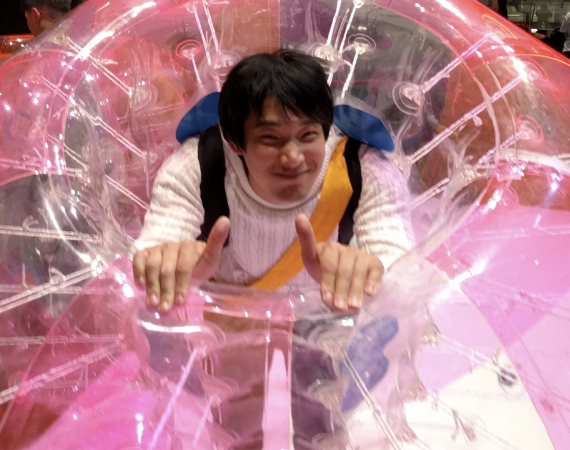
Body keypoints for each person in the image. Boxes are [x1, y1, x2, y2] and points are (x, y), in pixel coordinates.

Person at [133, 50, 415, 313]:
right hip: (231, 318)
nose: (293, 158)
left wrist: (369, 275)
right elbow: (150, 251)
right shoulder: (197, 166)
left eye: (308, 135)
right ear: (234, 143)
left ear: (327, 131)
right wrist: (168, 267)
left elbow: (407, 276)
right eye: (270, 138)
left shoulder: (365, 170)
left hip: (327, 316)